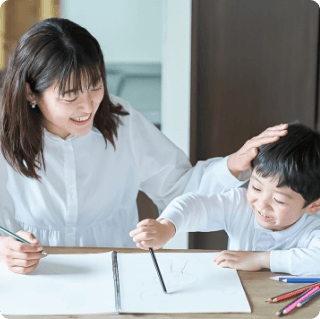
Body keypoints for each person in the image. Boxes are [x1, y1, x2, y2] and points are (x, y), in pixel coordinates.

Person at [0, 17, 286, 274]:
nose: (88, 106)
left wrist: (233, 164)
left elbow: (180, 188)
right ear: (30, 93)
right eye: (70, 96)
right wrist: (3, 248)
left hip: (115, 276)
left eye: (96, 86)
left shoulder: (121, 123)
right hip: (31, 280)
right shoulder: (4, 135)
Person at [130, 123, 320, 276]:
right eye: (255, 187)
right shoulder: (240, 204)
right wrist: (168, 226)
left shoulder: (313, 227)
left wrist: (258, 259)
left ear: (313, 205)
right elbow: (193, 205)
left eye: (278, 200)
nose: (261, 204)